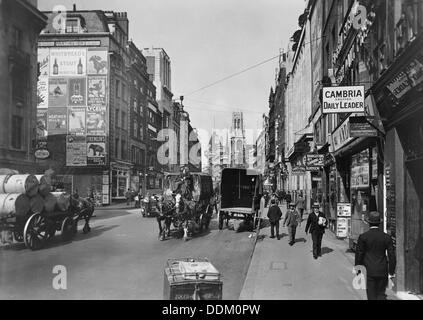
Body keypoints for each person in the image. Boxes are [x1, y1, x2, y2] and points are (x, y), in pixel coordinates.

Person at [355, 211, 396, 300]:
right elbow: (392, 255)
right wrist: (391, 272)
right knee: (381, 294)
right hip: (383, 269)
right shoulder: (386, 237)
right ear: (379, 223)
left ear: (369, 223)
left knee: (371, 295)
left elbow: (359, 254)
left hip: (369, 270)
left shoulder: (363, 237)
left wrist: (358, 270)